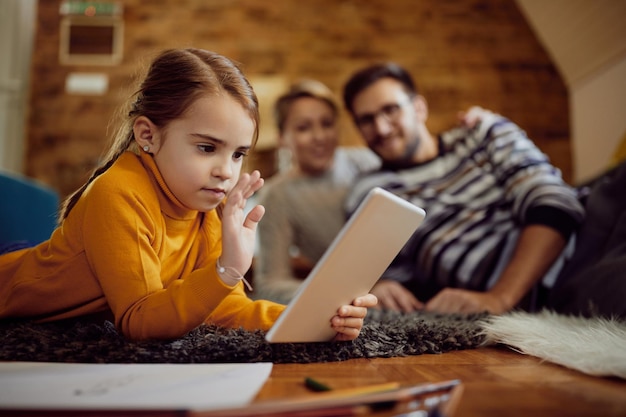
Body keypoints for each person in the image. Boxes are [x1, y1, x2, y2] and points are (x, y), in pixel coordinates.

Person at [0, 48, 376, 341]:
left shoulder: (205, 204)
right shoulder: (118, 192)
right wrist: (227, 270)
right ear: (147, 135)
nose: (226, 171)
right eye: (206, 148)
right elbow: (139, 319)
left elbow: (224, 309)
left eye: (238, 154)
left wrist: (313, 320)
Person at [341, 62, 585, 315]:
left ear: (419, 108)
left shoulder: (481, 131)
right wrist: (378, 284)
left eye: (390, 110)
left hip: (583, 244)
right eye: (366, 120)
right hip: (550, 294)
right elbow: (385, 272)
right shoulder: (368, 192)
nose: (381, 128)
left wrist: (500, 297)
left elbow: (556, 202)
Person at [253, 79, 380, 304]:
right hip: (361, 301)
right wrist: (337, 295)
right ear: (282, 138)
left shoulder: (367, 162)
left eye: (327, 123)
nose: (319, 137)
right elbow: (270, 283)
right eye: (303, 128)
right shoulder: (276, 196)